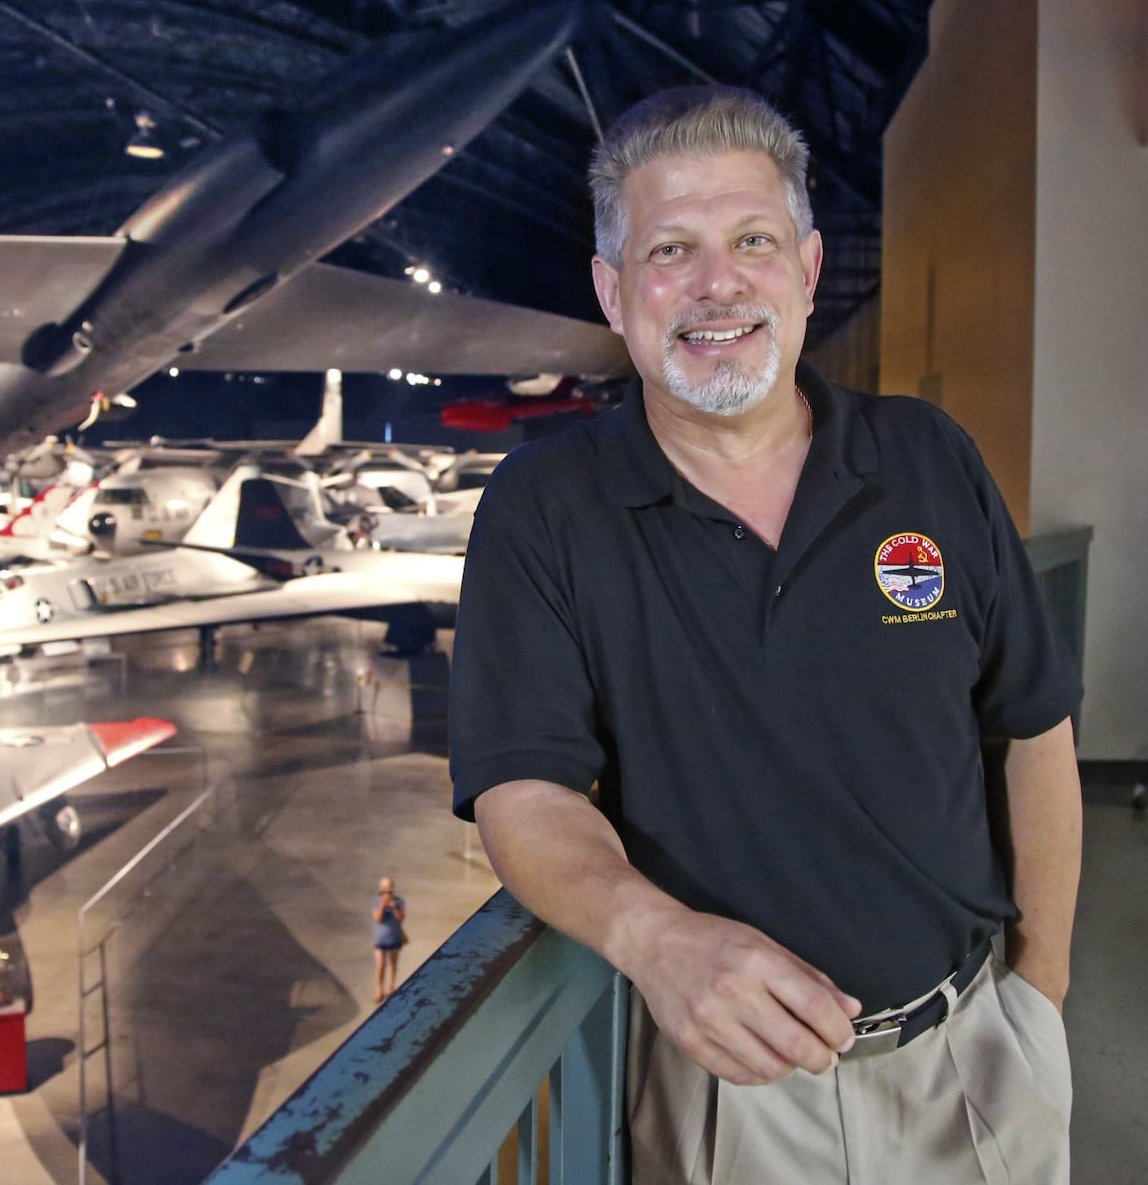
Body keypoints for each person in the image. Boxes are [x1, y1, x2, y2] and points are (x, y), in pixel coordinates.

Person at [449, 85, 1082, 1183]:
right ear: (613, 289)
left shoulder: (927, 457)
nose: (715, 284)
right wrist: (651, 937)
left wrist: (1040, 991)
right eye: (668, 251)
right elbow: (524, 791)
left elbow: (1032, 729)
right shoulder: (547, 506)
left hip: (972, 1058)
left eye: (751, 239)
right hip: (728, 1102)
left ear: (806, 264)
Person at [372, 876, 406, 1003]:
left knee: (393, 964)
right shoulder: (377, 902)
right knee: (380, 965)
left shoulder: (399, 902)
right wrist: (382, 905)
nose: (386, 893)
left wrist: (394, 907)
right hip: (381, 939)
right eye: (384, 890)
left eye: (389, 890)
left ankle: (391, 985)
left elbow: (401, 918)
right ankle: (379, 988)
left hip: (394, 937)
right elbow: (377, 919)